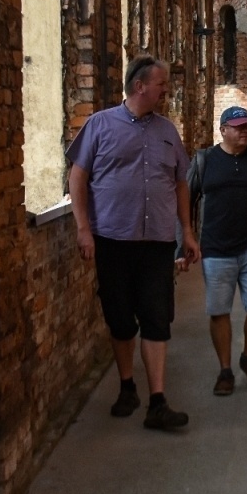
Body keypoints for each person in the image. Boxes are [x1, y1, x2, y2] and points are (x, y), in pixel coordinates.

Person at [67, 56, 201, 431]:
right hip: (112, 240)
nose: (166, 90)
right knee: (121, 319)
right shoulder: (100, 125)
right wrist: (83, 228)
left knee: (157, 319)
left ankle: (157, 401)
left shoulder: (167, 131)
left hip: (157, 241)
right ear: (140, 86)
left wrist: (187, 231)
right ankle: (127, 386)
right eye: (161, 84)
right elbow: (78, 177)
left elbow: (180, 183)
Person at [190, 106, 247, 394]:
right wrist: (186, 241)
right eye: (238, 127)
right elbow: (186, 199)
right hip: (216, 249)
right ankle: (225, 370)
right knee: (219, 310)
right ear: (223, 130)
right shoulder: (206, 160)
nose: (245, 131)